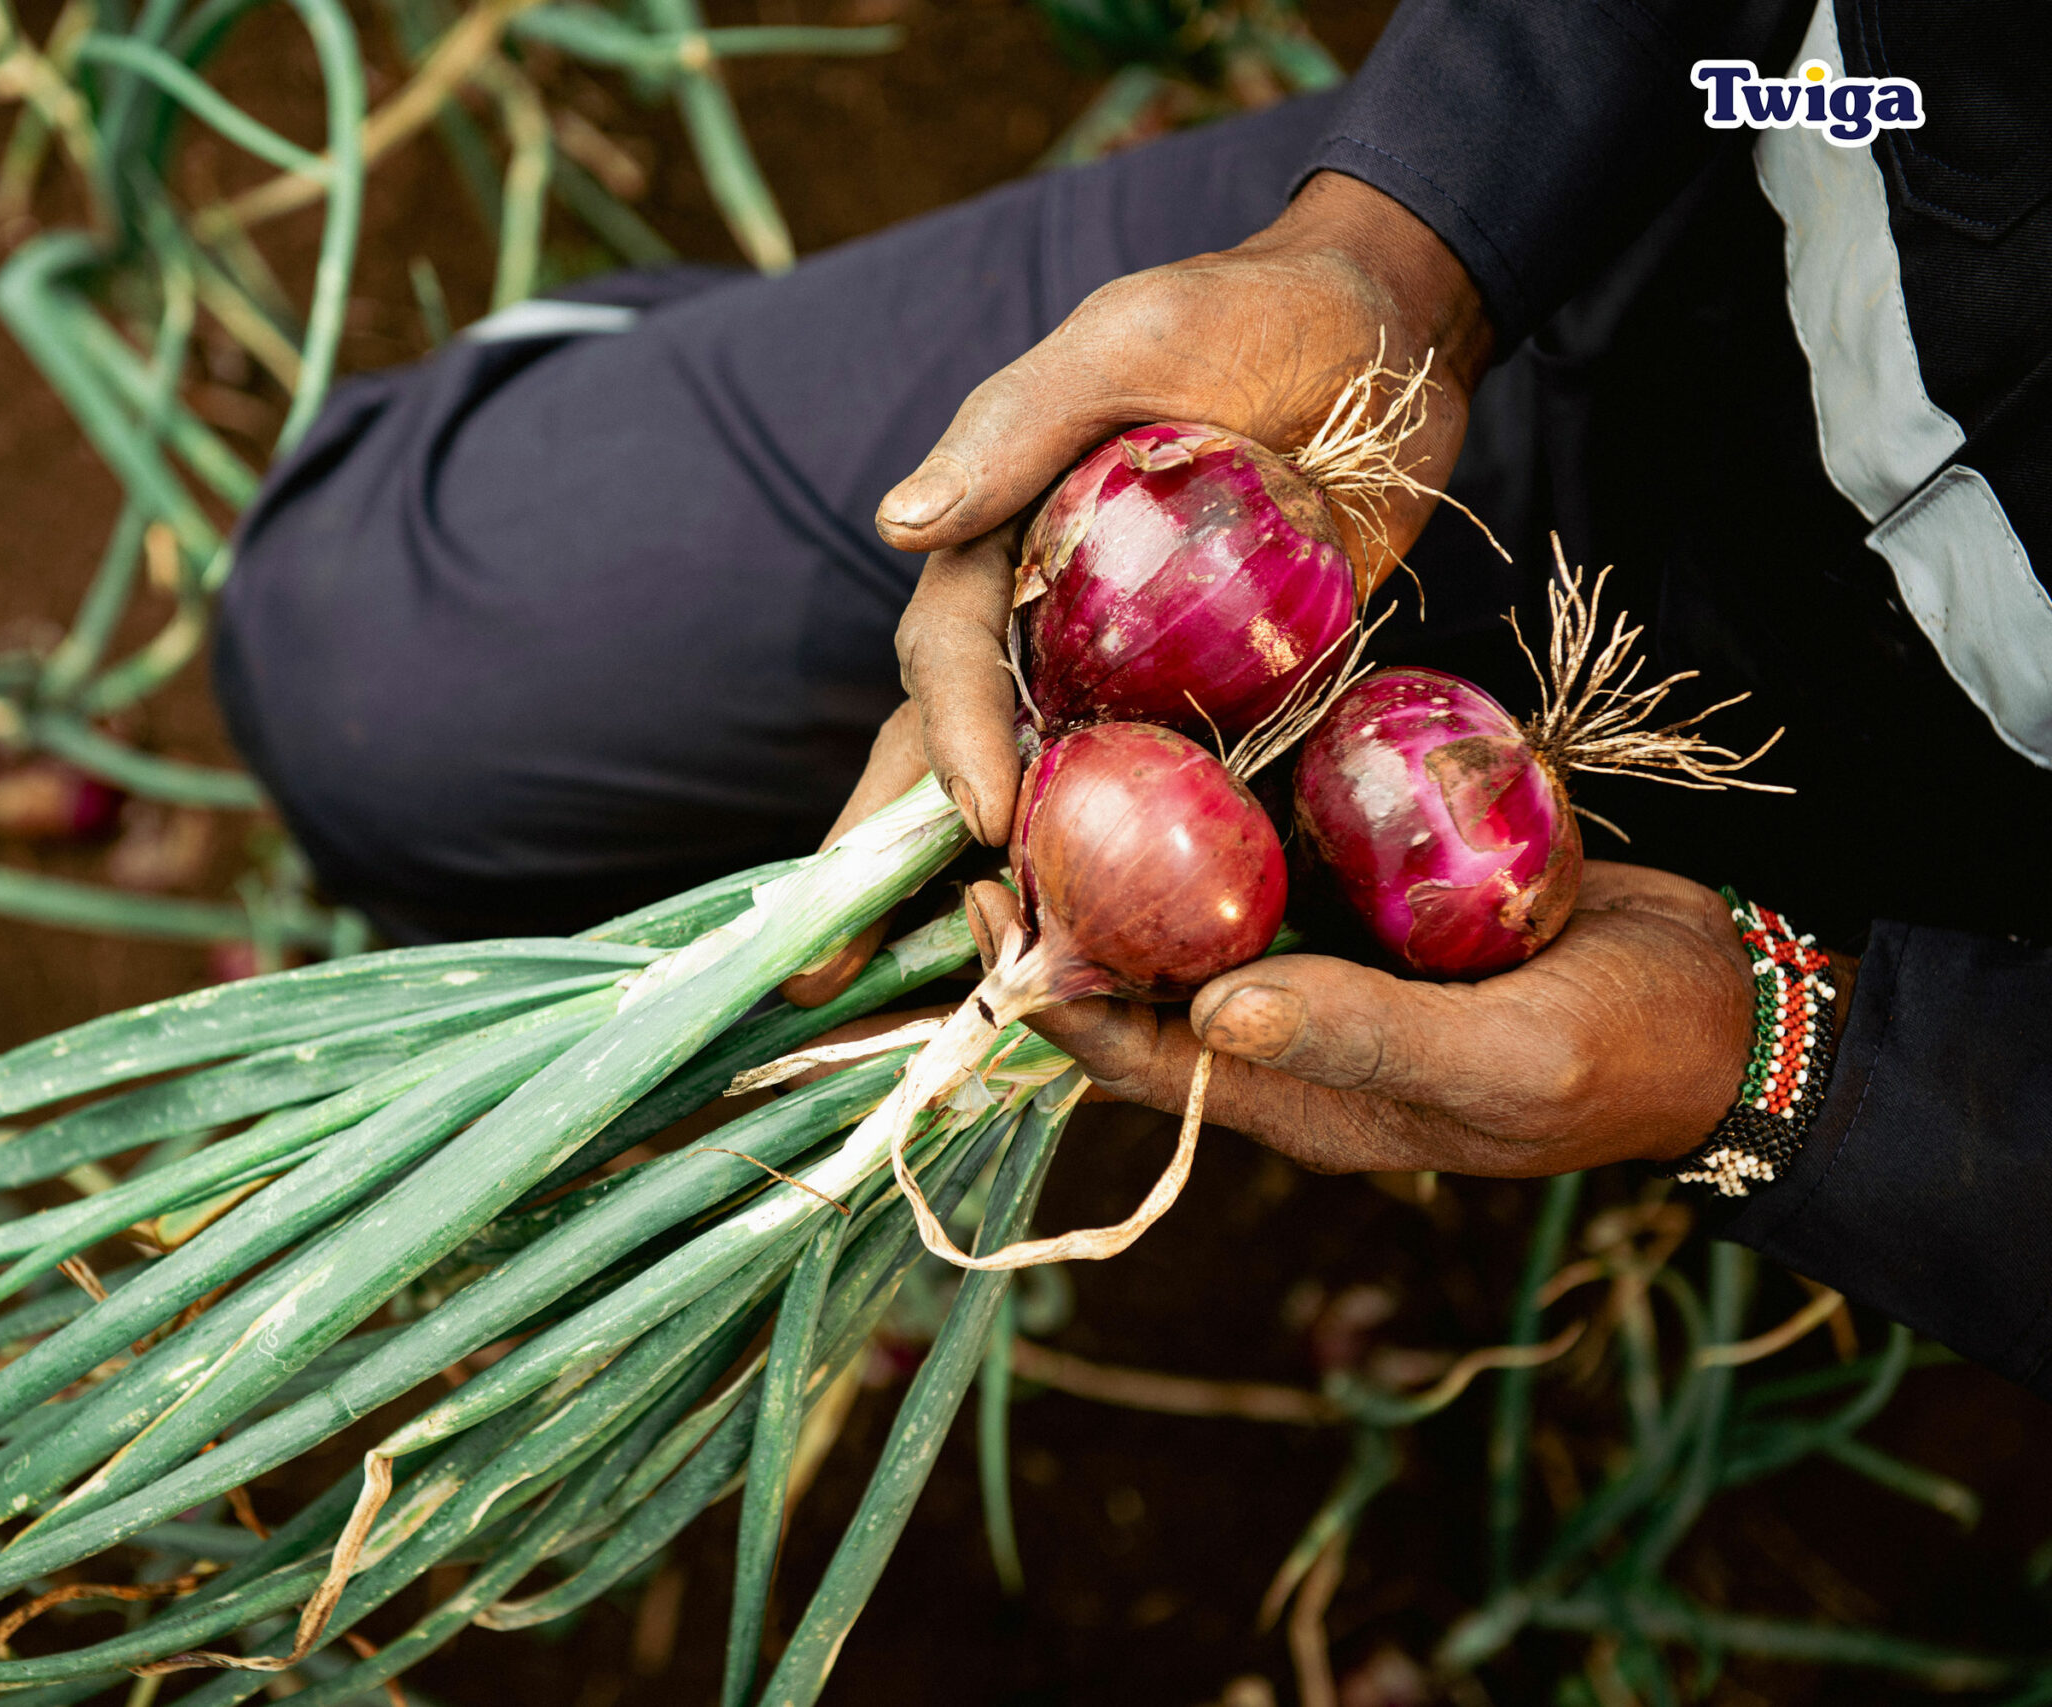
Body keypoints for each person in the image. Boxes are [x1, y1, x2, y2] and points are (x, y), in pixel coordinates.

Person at [215, 0, 2052, 1397]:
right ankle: (701, 386)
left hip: (1917, 878)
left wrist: (1805, 1073)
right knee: (372, 681)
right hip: (1598, 264)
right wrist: (1407, 241)